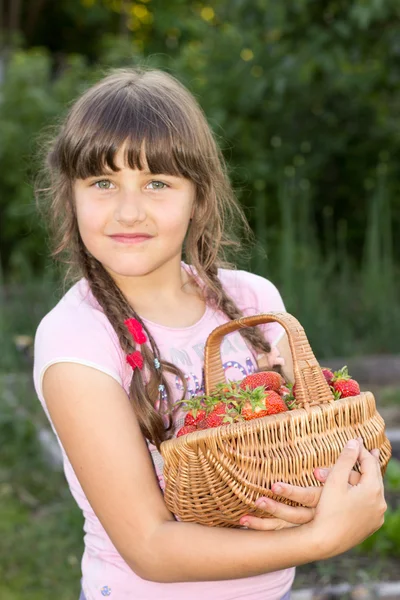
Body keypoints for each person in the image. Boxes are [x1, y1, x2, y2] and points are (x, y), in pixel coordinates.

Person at [33, 68, 386, 600]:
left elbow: (306, 445)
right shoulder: (75, 342)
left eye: (157, 183)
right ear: (71, 196)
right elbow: (150, 546)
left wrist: (337, 484)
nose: (129, 210)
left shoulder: (254, 304)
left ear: (198, 197)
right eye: (102, 183)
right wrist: (321, 536)